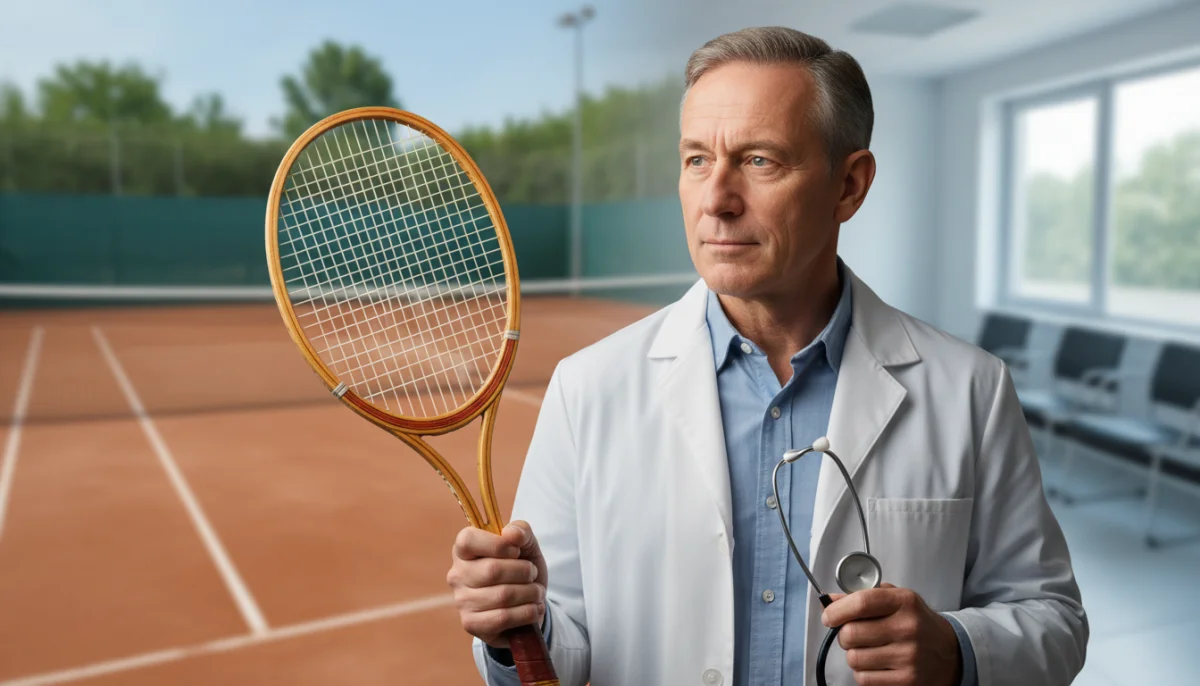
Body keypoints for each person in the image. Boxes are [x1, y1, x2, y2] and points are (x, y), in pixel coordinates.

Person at [446, 26, 1088, 686]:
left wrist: (955, 650)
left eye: (759, 161)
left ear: (849, 185)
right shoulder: (586, 388)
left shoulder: (971, 389)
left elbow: (1055, 620)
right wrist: (513, 632)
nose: (716, 200)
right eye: (697, 160)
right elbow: (560, 645)